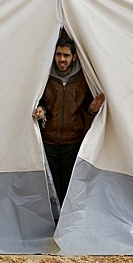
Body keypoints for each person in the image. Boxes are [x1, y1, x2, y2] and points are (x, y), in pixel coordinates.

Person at [32, 36, 105, 206]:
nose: (62, 59)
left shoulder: (82, 79)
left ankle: (64, 221)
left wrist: (94, 107)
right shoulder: (44, 77)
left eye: (66, 55)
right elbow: (39, 101)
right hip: (48, 141)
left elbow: (87, 107)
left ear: (74, 57)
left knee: (68, 186)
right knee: (47, 186)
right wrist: (41, 109)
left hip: (73, 142)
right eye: (58, 55)